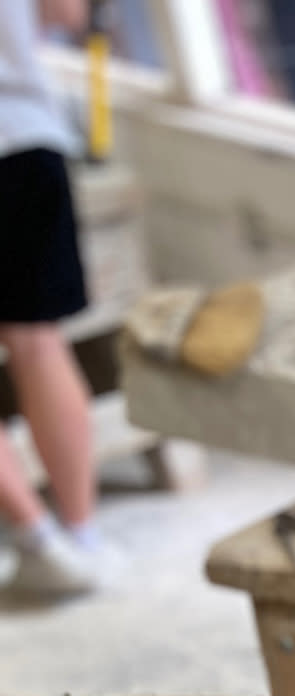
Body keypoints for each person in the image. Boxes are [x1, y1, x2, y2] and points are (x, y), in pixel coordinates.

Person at [0, 0, 105, 596]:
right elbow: (66, 11)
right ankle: (82, 535)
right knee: (39, 341)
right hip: (25, 134)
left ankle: (38, 539)